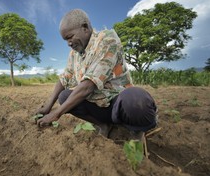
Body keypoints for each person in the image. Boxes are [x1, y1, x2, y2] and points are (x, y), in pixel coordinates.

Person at [36, 9, 157, 138]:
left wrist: (56, 114)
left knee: (136, 99)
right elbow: (65, 78)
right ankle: (104, 125)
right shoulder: (74, 54)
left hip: (118, 103)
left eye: (70, 37)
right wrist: (48, 106)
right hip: (98, 107)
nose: (69, 43)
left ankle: (135, 131)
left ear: (85, 27)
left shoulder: (107, 39)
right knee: (64, 96)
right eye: (65, 40)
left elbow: (88, 85)